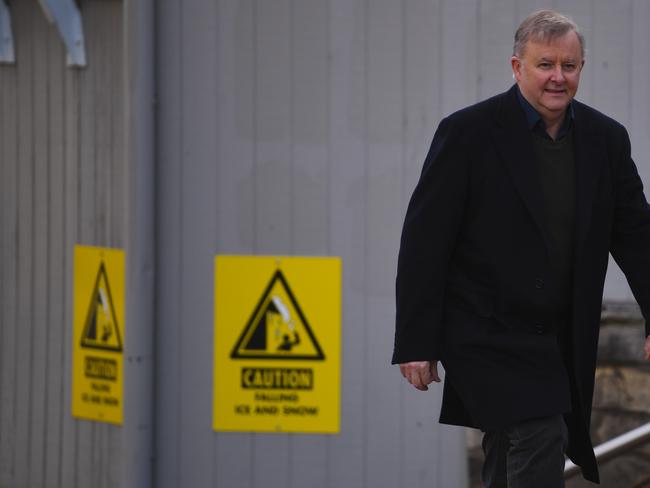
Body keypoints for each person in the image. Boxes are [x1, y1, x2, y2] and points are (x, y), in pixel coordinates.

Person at [392, 9, 650, 487]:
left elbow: (638, 236)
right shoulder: (468, 132)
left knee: (509, 449)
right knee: (539, 429)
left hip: (559, 334)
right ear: (517, 68)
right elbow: (424, 242)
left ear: (581, 68)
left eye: (568, 66)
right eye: (545, 64)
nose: (558, 77)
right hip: (484, 330)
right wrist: (416, 340)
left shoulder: (606, 139)